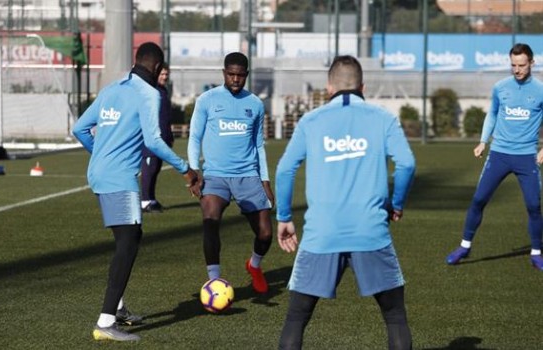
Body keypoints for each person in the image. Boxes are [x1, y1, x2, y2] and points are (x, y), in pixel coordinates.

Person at [275, 55, 416, 349]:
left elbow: (285, 169)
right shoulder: (383, 118)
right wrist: (396, 203)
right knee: (394, 316)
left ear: (328, 87)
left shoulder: (311, 121)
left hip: (321, 233)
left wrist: (285, 217)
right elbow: (406, 164)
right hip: (370, 230)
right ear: (363, 86)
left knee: (296, 317)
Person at [73, 42, 198, 342]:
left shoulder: (112, 88)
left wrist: (100, 153)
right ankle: (105, 322)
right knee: (128, 243)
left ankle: (117, 308)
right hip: (120, 178)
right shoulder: (150, 94)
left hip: (98, 173)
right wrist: (186, 169)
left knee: (127, 238)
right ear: (157, 69)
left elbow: (79, 128)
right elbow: (154, 141)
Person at [446, 43, 543, 270]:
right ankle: (464, 246)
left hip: (526, 156)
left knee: (533, 205)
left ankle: (536, 252)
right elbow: (493, 113)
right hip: (499, 153)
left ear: (532, 63)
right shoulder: (501, 87)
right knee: (479, 199)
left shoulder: (540, 90)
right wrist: (483, 141)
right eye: (513, 65)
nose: (517, 69)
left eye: (522, 65)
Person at [187, 52, 274, 294]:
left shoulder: (255, 104)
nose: (235, 79)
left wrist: (265, 179)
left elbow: (258, 145)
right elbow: (195, 137)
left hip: (248, 175)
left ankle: (254, 265)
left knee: (266, 233)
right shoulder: (207, 100)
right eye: (231, 74)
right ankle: (214, 280)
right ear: (224, 73)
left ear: (246, 75)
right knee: (210, 219)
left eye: (240, 75)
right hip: (216, 176)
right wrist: (194, 171)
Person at [141, 62, 174, 212]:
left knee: (156, 169)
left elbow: (165, 117)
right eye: (162, 74)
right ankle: (145, 201)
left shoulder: (163, 91)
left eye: (166, 74)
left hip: (163, 140)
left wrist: (169, 136)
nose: (165, 77)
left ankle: (151, 199)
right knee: (149, 168)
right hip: (151, 140)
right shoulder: (150, 91)